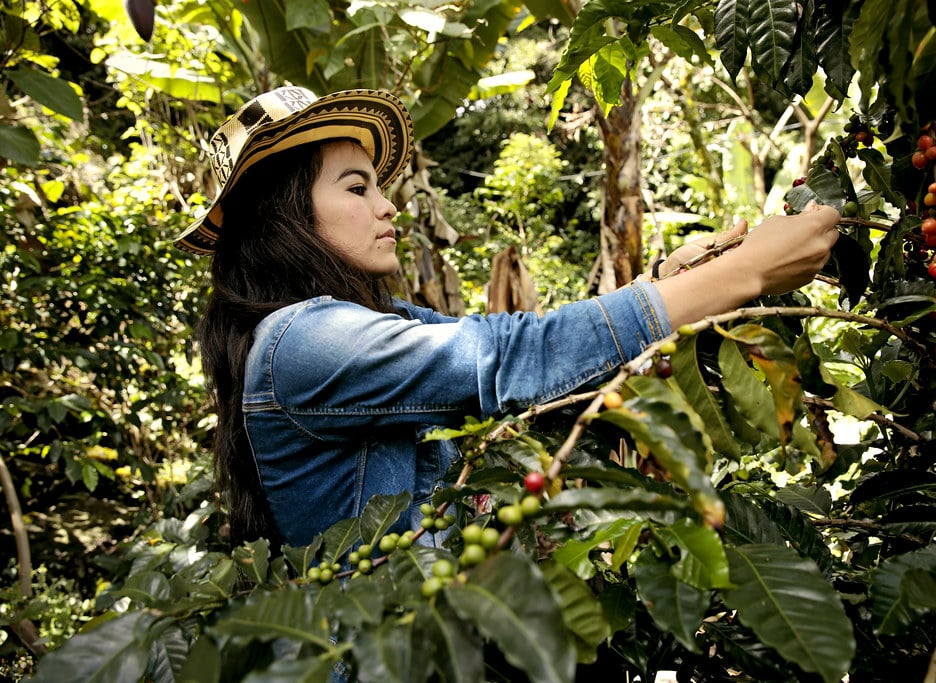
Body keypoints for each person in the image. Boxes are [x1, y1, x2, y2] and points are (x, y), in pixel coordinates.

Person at [176, 86, 840, 551]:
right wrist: (746, 273)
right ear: (284, 218)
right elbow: (507, 358)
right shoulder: (300, 341)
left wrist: (667, 279)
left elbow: (536, 347)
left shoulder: (367, 324)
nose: (387, 207)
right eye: (357, 187)